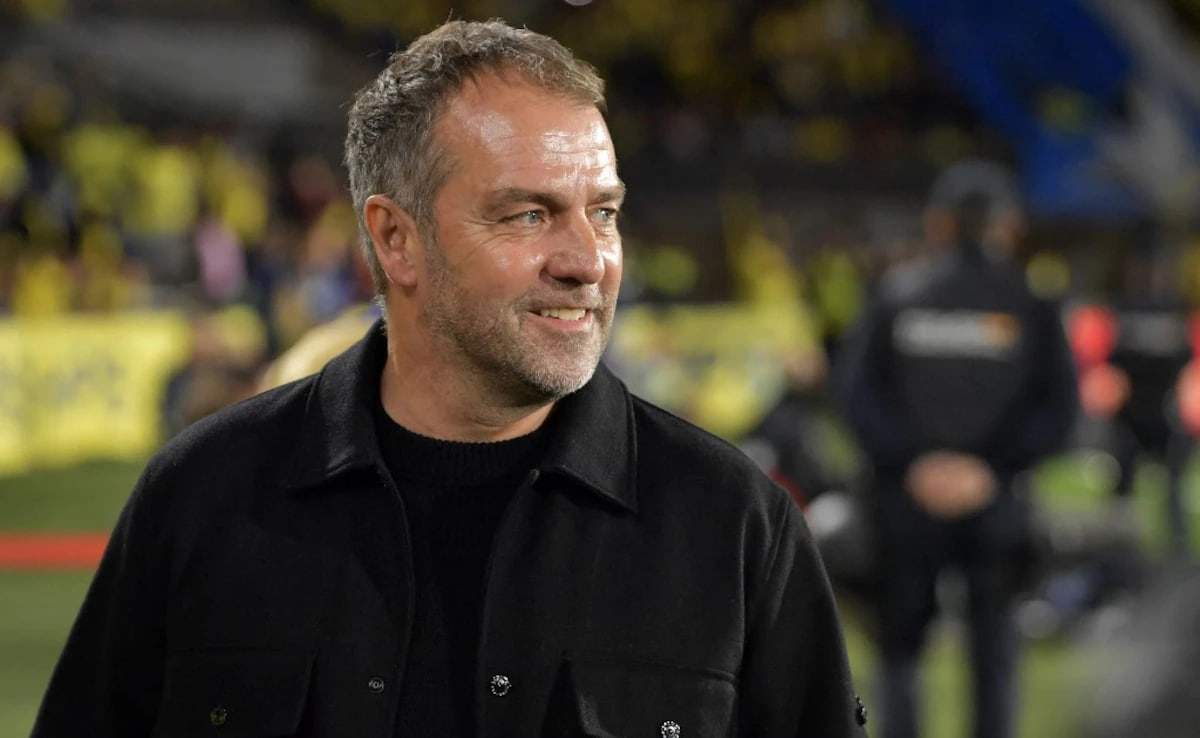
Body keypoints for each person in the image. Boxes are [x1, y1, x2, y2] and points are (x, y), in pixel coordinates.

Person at [33, 20, 868, 738]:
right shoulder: (202, 497)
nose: (588, 261)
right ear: (395, 240)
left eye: (604, 212)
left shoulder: (734, 524)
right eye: (529, 214)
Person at [835, 160, 1078, 738]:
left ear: (938, 223)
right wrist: (989, 470)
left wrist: (916, 464)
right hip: (996, 503)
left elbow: (854, 395)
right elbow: (1060, 408)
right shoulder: (1031, 302)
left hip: (905, 502)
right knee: (994, 650)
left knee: (901, 648)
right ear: (1008, 225)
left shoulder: (895, 293)